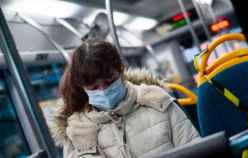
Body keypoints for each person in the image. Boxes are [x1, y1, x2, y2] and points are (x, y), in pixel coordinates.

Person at [51, 39, 200, 158]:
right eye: (94, 87)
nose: (104, 91)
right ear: (82, 86)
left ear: (121, 71)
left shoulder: (158, 102)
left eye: (109, 82)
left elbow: (197, 150)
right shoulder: (76, 132)